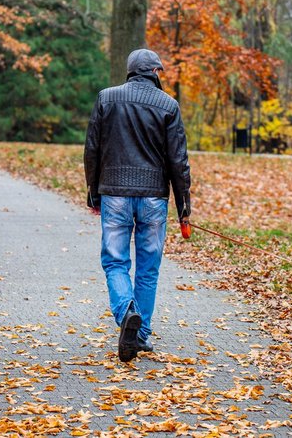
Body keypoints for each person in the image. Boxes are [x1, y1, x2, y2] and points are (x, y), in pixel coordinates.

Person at [84, 48, 191, 362]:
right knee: (148, 269)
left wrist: (93, 191)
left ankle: (127, 312)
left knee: (115, 262)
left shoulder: (107, 98)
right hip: (154, 198)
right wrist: (183, 203)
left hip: (114, 194)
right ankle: (140, 334)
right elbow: (178, 160)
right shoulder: (168, 105)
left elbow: (92, 149)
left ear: (130, 71)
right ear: (156, 72)